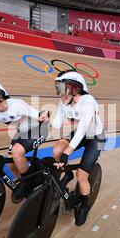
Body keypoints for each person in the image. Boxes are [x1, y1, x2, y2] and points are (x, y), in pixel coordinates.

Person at [51, 70, 106, 226]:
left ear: (75, 88)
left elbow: (82, 129)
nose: (60, 93)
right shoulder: (64, 101)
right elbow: (56, 123)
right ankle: (67, 174)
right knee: (56, 151)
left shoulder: (88, 101)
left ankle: (84, 205)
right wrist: (43, 118)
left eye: (63, 88)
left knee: (82, 176)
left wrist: (67, 152)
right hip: (81, 135)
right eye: (58, 88)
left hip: (96, 137)